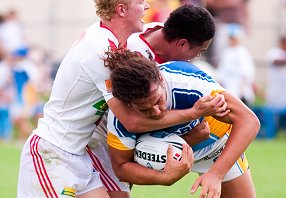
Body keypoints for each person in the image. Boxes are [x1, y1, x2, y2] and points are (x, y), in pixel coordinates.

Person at [17, 1, 227, 198]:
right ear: (121, 10)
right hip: (53, 151)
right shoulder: (101, 50)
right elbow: (131, 121)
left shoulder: (116, 40)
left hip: (82, 151)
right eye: (139, 2)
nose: (146, 6)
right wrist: (194, 113)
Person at [88, 4, 229, 197]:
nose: (194, 59)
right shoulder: (133, 60)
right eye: (197, 52)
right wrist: (192, 119)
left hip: (208, 139)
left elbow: (248, 120)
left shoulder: (159, 38)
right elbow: (132, 121)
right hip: (114, 141)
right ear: (182, 44)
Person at [104, 48, 259, 198]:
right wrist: (164, 177)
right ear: (129, 106)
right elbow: (121, 167)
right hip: (160, 154)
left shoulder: (187, 81)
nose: (157, 112)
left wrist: (216, 174)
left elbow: (249, 121)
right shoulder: (120, 116)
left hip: (214, 144)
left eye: (158, 100)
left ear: (161, 80)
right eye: (145, 110)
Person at [265, 35, 286, 138]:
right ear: (283, 43)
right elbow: (276, 61)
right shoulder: (274, 52)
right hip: (277, 96)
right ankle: (272, 137)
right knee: (274, 119)